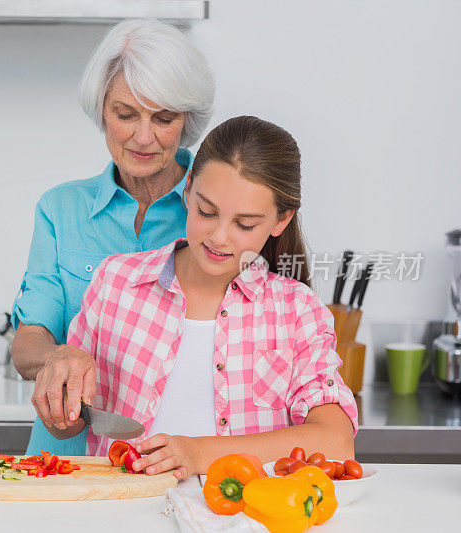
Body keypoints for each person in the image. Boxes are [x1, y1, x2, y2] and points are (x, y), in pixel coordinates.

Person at [42, 116, 358, 479]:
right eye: (207, 211)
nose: (219, 237)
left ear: (280, 221)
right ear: (188, 188)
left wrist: (198, 452)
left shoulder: (297, 310)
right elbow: (69, 425)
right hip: (123, 514)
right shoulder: (116, 283)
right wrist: (57, 396)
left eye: (245, 224)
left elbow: (336, 441)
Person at [10, 19, 215, 455]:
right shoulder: (60, 210)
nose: (143, 137)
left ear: (187, 120)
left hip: (176, 459)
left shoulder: (218, 215)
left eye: (164, 118)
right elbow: (29, 338)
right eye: (125, 114)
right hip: (63, 458)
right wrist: (57, 357)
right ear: (101, 109)